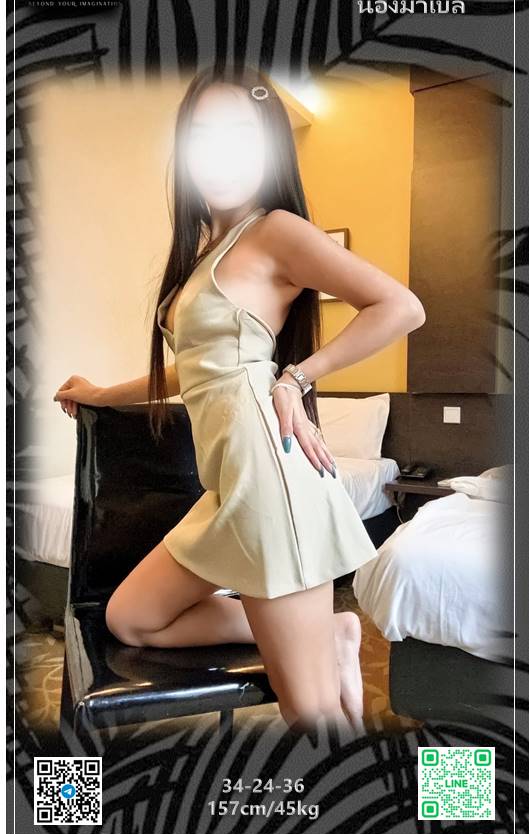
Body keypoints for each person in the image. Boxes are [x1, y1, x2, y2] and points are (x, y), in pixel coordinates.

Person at [54, 64, 425, 740]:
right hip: (228, 487)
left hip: (269, 482)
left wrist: (296, 378)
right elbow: (192, 371)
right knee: (132, 618)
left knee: (310, 717)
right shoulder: (207, 251)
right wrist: (101, 394)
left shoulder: (275, 230)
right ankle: (326, 632)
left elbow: (400, 307)